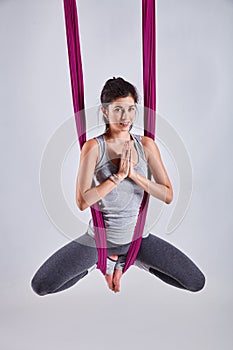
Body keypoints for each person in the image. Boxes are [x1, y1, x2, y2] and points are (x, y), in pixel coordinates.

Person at [31, 77, 205, 295]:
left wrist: (133, 174)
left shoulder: (146, 145)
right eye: (118, 110)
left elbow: (167, 195)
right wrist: (118, 177)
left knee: (195, 282)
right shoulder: (93, 147)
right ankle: (99, 264)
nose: (126, 117)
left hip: (138, 241)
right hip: (98, 241)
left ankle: (131, 262)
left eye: (131, 109)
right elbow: (82, 201)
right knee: (41, 285)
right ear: (105, 111)